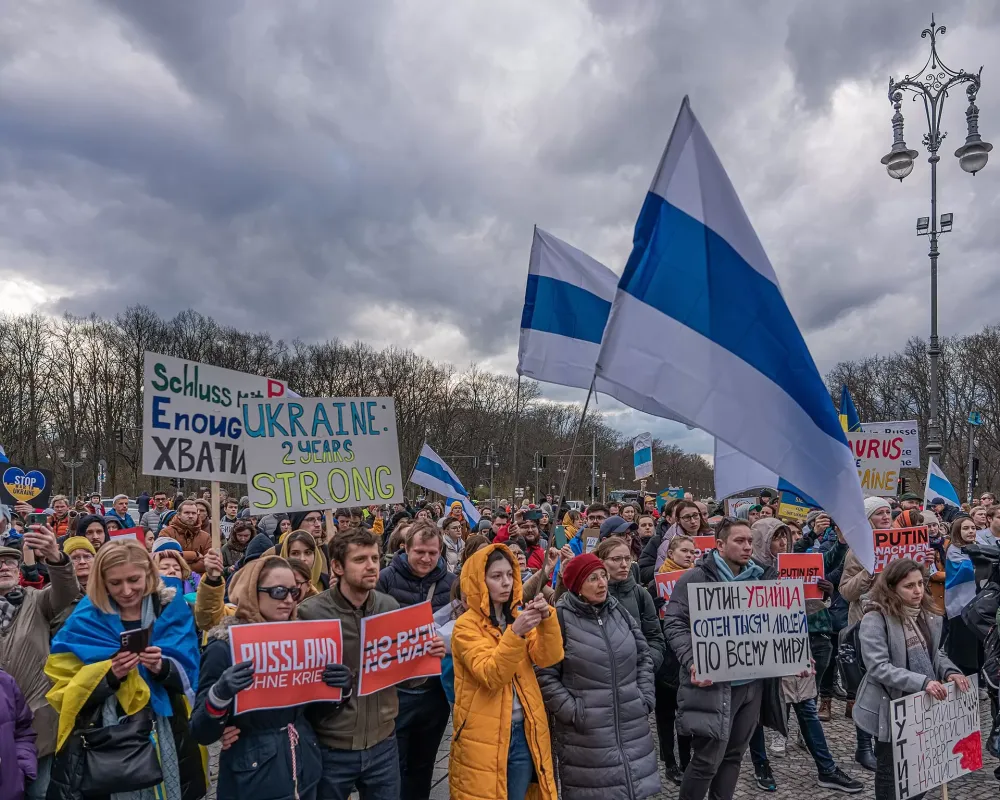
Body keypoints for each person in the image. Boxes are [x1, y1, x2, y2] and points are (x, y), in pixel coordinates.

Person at [45, 540, 205, 800]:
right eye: (115, 583)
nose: (127, 590)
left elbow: (191, 669)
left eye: (134, 579)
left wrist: (162, 667)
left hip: (165, 727)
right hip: (104, 734)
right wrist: (108, 674)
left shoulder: (169, 608)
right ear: (102, 582)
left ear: (149, 574)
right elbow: (63, 683)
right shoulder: (85, 617)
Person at [297, 527, 445, 800]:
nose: (371, 566)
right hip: (332, 746)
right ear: (337, 567)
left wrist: (425, 659)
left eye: (375, 559)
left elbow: (406, 678)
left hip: (383, 743)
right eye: (360, 559)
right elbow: (299, 685)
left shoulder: (389, 606)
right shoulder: (310, 613)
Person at [663, 518, 779, 800]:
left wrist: (796, 658)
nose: (747, 547)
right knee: (705, 760)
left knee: (734, 755)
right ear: (720, 545)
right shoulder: (694, 578)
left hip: (752, 683)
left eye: (750, 541)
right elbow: (674, 623)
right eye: (739, 541)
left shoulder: (763, 577)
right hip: (714, 684)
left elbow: (778, 625)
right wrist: (693, 661)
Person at [191, 555, 323, 800]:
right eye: (278, 592)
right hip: (253, 777)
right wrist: (219, 696)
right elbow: (201, 731)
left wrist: (339, 690)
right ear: (252, 592)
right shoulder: (224, 648)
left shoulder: (303, 640)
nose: (288, 600)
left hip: (305, 768)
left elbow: (315, 712)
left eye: (294, 592)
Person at [746, 519, 862, 793]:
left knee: (807, 707)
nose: (783, 543)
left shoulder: (792, 567)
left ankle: (827, 768)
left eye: (784, 537)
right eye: (776, 538)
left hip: (793, 645)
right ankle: (761, 765)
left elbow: (803, 607)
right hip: (760, 651)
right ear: (762, 540)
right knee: (756, 713)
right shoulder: (748, 572)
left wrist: (823, 594)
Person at [537, 552, 660, 798]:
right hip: (587, 736)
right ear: (576, 585)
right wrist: (573, 711)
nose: (602, 583)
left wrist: (644, 696)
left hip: (632, 724)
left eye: (603, 576)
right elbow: (544, 673)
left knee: (634, 788)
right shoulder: (559, 619)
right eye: (592, 578)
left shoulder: (619, 612)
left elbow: (643, 656)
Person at [449, 544, 562, 800]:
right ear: (480, 580)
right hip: (483, 732)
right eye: (496, 576)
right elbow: (491, 675)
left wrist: (547, 621)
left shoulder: (515, 616)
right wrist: (516, 633)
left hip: (524, 729)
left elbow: (548, 657)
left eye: (510, 575)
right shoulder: (465, 627)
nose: (506, 583)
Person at [854, 558, 970, 800]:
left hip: (924, 706)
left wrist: (950, 672)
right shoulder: (876, 618)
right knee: (891, 774)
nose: (917, 591)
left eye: (920, 583)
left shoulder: (926, 615)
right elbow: (878, 667)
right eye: (909, 586)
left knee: (922, 772)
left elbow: (936, 653)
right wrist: (923, 682)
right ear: (892, 587)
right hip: (891, 706)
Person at [375, 520, 455, 800]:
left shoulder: (451, 583)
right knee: (392, 767)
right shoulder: (385, 579)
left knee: (423, 766)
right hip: (394, 691)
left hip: (432, 691)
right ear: (405, 549)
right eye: (420, 551)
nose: (426, 558)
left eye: (433, 553)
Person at [0, 522, 77, 800]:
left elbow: (67, 592)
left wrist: (56, 558)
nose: (4, 567)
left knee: (39, 792)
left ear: (19, 570)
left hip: (36, 724)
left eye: (10, 562)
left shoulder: (36, 601)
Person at [839, 495, 893, 771]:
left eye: (888, 512)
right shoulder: (857, 550)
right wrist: (868, 573)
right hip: (866, 627)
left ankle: (892, 742)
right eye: (879, 513)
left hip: (898, 627)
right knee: (867, 688)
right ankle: (863, 747)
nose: (886, 517)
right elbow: (846, 591)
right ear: (869, 520)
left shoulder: (905, 544)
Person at [653, 534, 696, 785]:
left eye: (693, 552)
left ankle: (686, 760)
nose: (690, 556)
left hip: (688, 656)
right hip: (666, 660)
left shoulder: (699, 581)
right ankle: (670, 761)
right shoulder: (656, 583)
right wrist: (653, 600)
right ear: (671, 554)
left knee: (687, 714)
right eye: (685, 552)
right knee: (666, 714)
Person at [595, 536, 665, 671]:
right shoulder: (591, 594)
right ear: (601, 562)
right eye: (616, 559)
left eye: (627, 558)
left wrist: (647, 667)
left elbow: (655, 638)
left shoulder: (641, 594)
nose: (624, 564)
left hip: (637, 678)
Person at [162, 499, 211, 574]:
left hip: (197, 582)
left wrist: (182, 567)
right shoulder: (167, 533)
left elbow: (208, 562)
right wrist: (195, 555)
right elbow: (165, 556)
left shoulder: (206, 537)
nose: (191, 516)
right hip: (173, 578)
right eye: (187, 513)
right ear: (178, 515)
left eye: (193, 513)